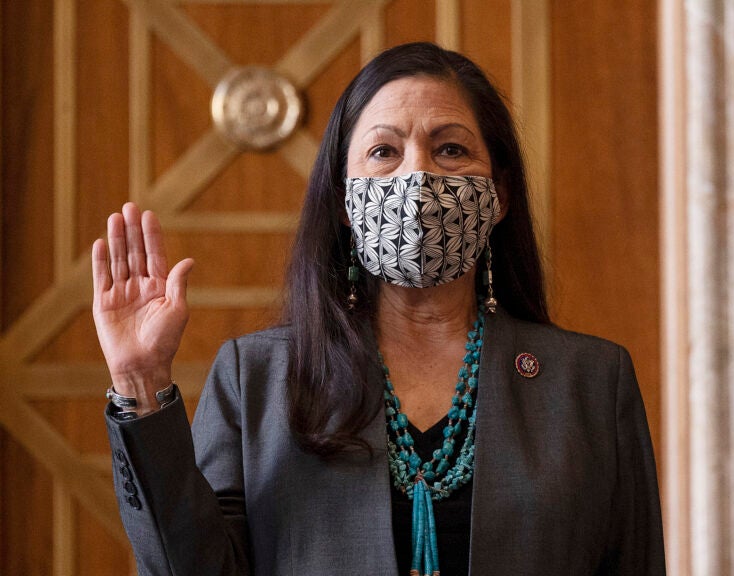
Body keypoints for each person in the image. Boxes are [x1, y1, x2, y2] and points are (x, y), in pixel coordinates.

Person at [93, 42, 665, 575]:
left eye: (451, 148)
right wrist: (139, 380)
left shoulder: (590, 382)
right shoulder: (258, 379)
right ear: (345, 201)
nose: (417, 175)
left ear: (500, 197)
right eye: (384, 151)